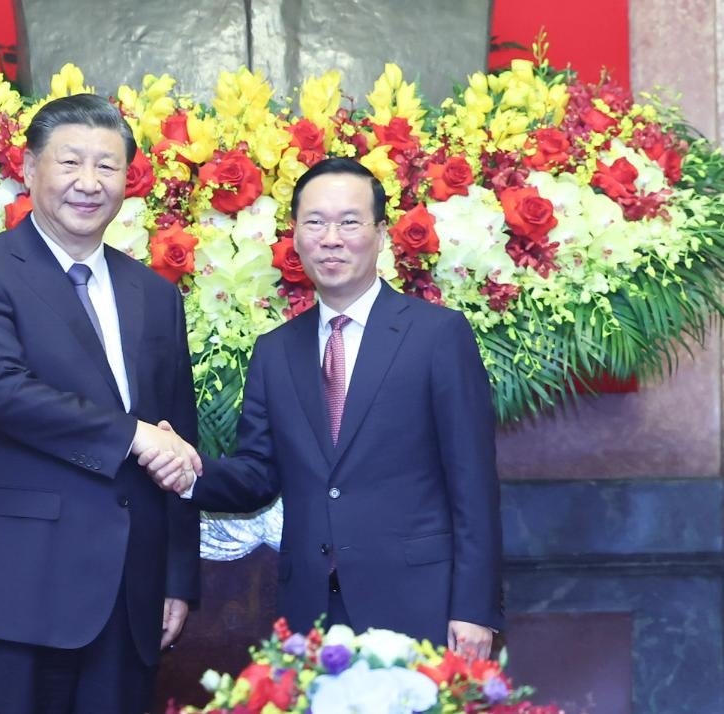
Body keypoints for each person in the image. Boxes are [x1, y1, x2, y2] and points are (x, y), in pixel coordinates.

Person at [145, 157, 503, 659]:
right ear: (294, 236)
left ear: (381, 234)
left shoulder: (437, 336)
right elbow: (258, 475)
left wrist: (474, 608)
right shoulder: (275, 351)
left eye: (349, 222)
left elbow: (473, 485)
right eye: (314, 222)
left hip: (420, 603)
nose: (331, 239)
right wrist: (187, 473)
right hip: (311, 606)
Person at [0, 93, 202, 714]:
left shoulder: (155, 294)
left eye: (107, 166)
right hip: (15, 590)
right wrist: (133, 435)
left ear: (128, 180)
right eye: (70, 162)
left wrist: (177, 577)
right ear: (30, 169)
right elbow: (3, 394)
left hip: (130, 594)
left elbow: (178, 440)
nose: (89, 182)